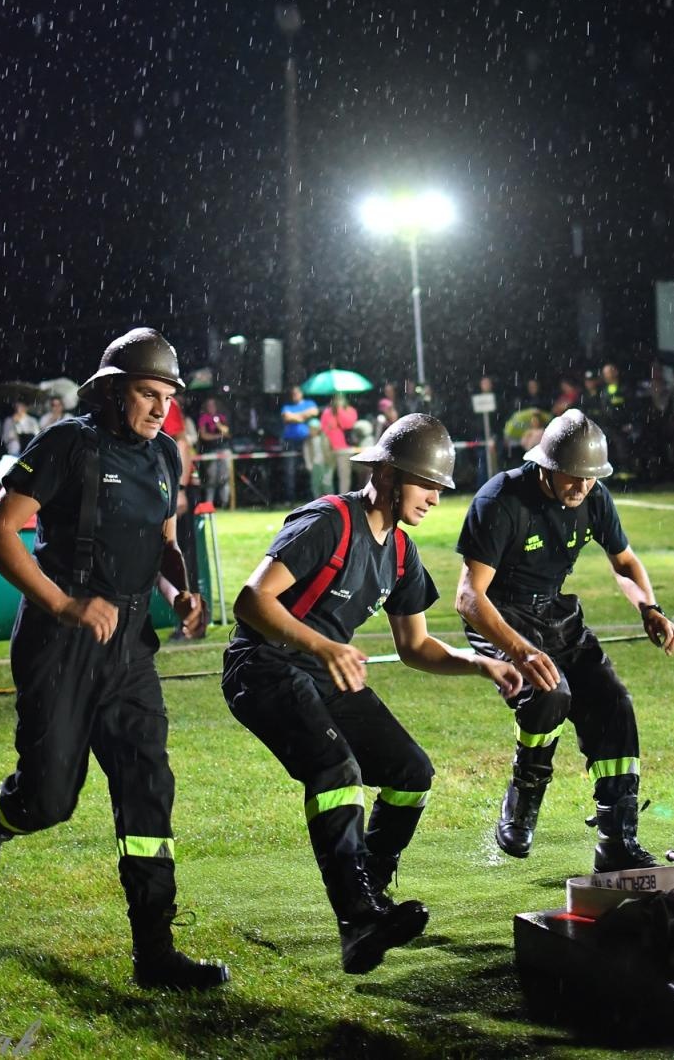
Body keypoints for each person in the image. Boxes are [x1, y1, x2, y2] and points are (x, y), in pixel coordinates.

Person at [0, 327, 227, 992]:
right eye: (146, 392)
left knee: (147, 788)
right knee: (49, 801)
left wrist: (178, 590)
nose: (160, 408)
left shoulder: (166, 455)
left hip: (131, 649)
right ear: (110, 391)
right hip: (61, 642)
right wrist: (68, 606)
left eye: (167, 395)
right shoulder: (69, 444)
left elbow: (165, 540)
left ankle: (155, 952)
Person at [222, 415, 520, 974]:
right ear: (386, 473)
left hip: (322, 670)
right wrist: (325, 646)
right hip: (261, 665)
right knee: (336, 771)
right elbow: (251, 601)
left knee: (411, 773)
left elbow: (415, 646)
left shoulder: (402, 554)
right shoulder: (327, 521)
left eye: (439, 487)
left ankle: (371, 902)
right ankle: (357, 916)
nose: (433, 497)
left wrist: (483, 664)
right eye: (425, 483)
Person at [455, 410, 674, 871]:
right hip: (501, 616)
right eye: (572, 477)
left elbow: (625, 562)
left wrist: (649, 607)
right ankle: (524, 798)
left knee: (614, 701)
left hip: (557, 613)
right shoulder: (500, 499)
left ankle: (617, 839)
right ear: (546, 466)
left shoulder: (594, 497)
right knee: (549, 692)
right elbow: (468, 598)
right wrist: (520, 650)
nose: (581, 487)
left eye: (591, 479)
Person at [280, 385, 320, 506]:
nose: (295, 395)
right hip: (290, 442)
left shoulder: (309, 403)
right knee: (290, 471)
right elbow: (286, 417)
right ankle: (290, 499)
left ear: (301, 394)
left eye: (297, 393)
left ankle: (312, 497)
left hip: (307, 441)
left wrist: (295, 416)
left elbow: (315, 412)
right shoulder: (287, 406)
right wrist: (304, 416)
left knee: (311, 468)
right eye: (293, 393)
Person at [197, 397, 232, 508]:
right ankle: (209, 504)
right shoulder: (203, 418)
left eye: (213, 405)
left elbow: (227, 433)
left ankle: (224, 503)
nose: (211, 407)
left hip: (224, 449)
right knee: (211, 478)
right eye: (209, 405)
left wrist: (218, 425)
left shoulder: (221, 417)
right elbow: (204, 436)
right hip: (210, 450)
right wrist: (218, 436)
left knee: (224, 477)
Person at [320, 393, 359, 494]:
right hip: (329, 448)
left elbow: (348, 424)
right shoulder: (327, 412)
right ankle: (328, 498)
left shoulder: (350, 410)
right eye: (336, 399)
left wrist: (339, 410)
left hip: (344, 449)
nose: (338, 401)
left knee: (344, 476)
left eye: (340, 399)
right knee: (327, 475)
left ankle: (342, 497)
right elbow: (324, 429)